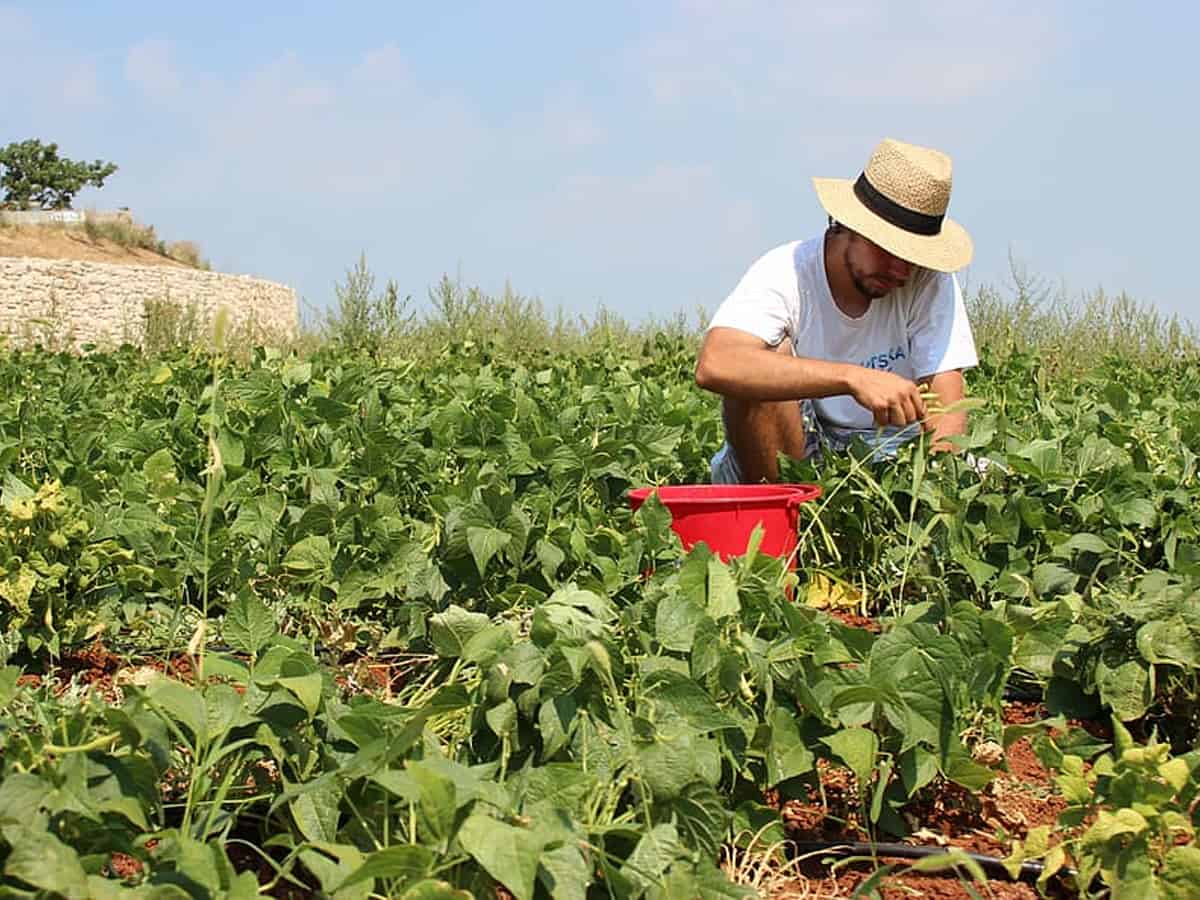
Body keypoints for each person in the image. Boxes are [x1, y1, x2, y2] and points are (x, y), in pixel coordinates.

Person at [695, 137, 979, 484]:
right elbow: (716, 363)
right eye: (888, 250)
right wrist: (852, 377)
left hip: (892, 449)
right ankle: (779, 508)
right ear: (847, 225)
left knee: (990, 481)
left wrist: (934, 492)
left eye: (914, 256)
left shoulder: (928, 281)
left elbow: (946, 410)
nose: (901, 271)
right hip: (801, 442)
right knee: (764, 360)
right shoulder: (787, 271)